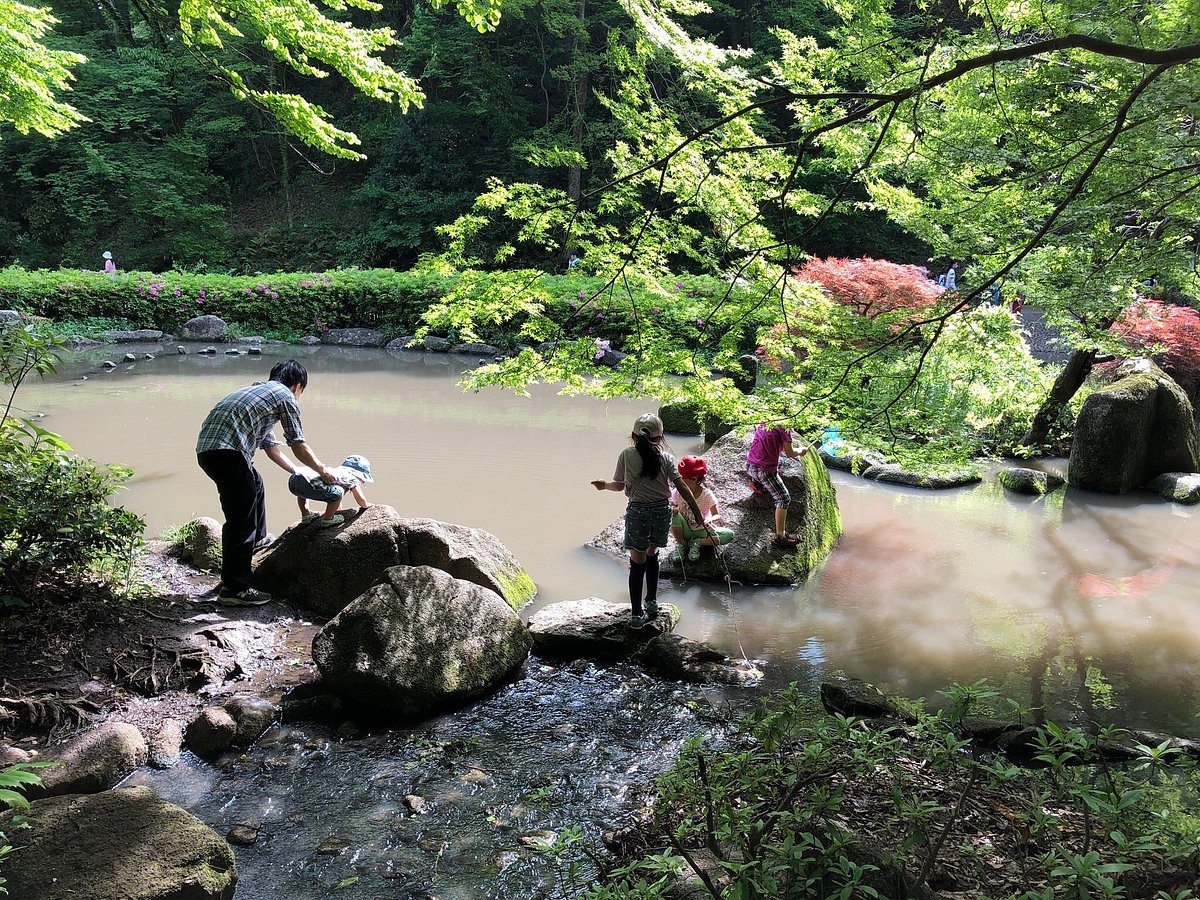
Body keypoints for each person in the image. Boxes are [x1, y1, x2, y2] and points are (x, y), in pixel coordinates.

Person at [196, 360, 338, 606]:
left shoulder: (257, 392)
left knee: (255, 482)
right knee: (240, 519)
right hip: (228, 454)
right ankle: (234, 589)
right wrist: (322, 470)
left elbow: (271, 447)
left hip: (209, 452)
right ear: (297, 386)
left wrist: (297, 471)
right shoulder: (285, 396)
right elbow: (297, 443)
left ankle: (258, 539)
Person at [592, 414, 704, 629]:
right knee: (653, 554)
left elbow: (618, 485)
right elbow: (681, 486)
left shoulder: (627, 454)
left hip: (639, 512)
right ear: (660, 437)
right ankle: (651, 602)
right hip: (662, 512)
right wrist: (696, 511)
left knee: (637, 561)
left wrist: (603, 485)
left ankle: (636, 614)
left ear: (633, 435)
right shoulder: (667, 458)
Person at [746, 422, 808, 549]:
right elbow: (790, 453)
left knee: (780, 460)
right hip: (764, 471)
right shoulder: (785, 428)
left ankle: (758, 483)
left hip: (749, 465)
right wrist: (801, 451)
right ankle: (780, 536)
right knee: (784, 499)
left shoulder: (763, 422)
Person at [670, 456, 734, 563]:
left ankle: (697, 542)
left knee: (729, 535)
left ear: (694, 478)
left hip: (701, 530)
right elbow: (674, 506)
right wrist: (674, 509)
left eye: (682, 478)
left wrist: (710, 520)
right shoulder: (677, 492)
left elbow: (716, 515)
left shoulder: (707, 495)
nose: (678, 481)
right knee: (674, 516)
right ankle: (681, 544)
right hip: (684, 530)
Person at [290, 454, 374, 527]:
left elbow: (336, 498)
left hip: (295, 480)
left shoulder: (336, 472)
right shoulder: (352, 478)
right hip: (305, 482)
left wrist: (338, 511)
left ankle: (306, 515)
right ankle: (328, 519)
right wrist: (366, 505)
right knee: (338, 492)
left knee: (303, 492)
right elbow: (359, 498)